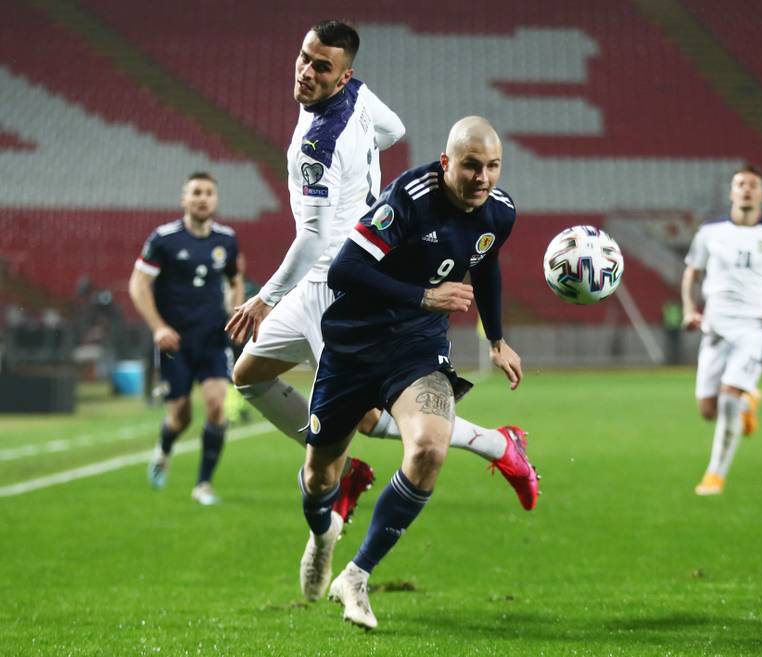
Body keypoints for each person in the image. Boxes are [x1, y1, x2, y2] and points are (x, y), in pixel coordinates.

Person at [225, 21, 538, 523]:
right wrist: (363, 171)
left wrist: (263, 298)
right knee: (248, 377)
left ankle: (498, 445)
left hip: (338, 288)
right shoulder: (360, 99)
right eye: (304, 57)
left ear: (343, 76)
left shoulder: (316, 146)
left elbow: (311, 239)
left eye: (321, 66)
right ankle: (341, 466)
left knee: (369, 419)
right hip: (313, 285)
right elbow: (394, 130)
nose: (306, 71)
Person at [295, 116, 521, 630]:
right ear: (447, 163)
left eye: (492, 166)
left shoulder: (499, 212)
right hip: (353, 347)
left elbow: (484, 263)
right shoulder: (409, 199)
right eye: (470, 165)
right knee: (319, 475)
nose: (482, 178)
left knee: (428, 449)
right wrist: (425, 296)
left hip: (418, 349)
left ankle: (356, 575)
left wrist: (497, 339)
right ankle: (322, 534)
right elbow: (345, 269)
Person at [129, 172, 244, 505]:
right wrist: (158, 327)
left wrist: (235, 311)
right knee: (181, 415)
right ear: (184, 199)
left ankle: (203, 485)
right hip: (174, 342)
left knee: (216, 406)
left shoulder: (226, 240)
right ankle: (164, 449)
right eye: (196, 192)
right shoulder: (163, 239)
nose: (202, 198)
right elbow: (138, 284)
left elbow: (235, 279)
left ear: (216, 200)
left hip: (212, 339)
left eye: (208, 192)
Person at [681, 164, 762, 496]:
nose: (746, 189)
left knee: (728, 397)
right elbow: (691, 273)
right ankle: (748, 403)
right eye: (740, 184)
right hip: (715, 327)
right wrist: (690, 309)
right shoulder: (709, 233)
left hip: (754, 327)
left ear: (761, 194)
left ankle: (715, 475)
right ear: (732, 192)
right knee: (708, 410)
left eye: (753, 184)